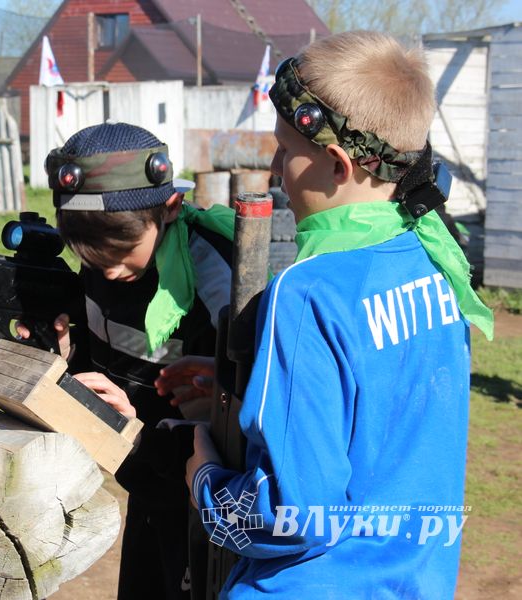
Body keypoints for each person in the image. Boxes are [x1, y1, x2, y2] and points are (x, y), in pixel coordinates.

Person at [155, 31, 494, 599]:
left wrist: (206, 483)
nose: (276, 167)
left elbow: (294, 516)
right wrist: (263, 384)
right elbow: (382, 407)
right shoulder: (439, 261)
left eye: (286, 150)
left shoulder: (309, 291)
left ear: (336, 164)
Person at [28, 121, 236, 599]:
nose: (109, 271)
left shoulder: (221, 279)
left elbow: (245, 415)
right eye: (93, 260)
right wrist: (63, 355)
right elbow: (96, 348)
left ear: (170, 208)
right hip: (143, 483)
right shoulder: (101, 260)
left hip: (204, 504)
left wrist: (138, 427)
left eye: (121, 255)